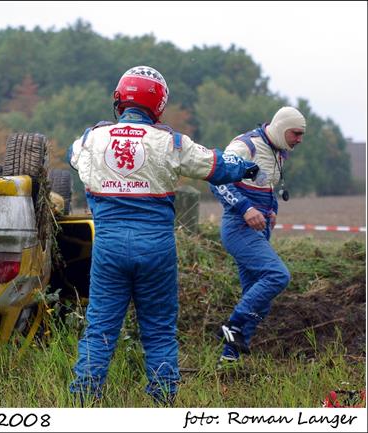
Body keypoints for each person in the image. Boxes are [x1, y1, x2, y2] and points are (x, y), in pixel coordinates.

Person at [67, 65, 260, 405]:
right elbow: (216, 166)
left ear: (119, 99)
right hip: (156, 248)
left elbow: (73, 158)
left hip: (110, 247)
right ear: (158, 106)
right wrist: (246, 166)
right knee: (158, 332)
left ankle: (82, 403)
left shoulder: (90, 138)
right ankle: (162, 405)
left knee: (99, 331)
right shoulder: (171, 142)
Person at [209, 106, 306, 365]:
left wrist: (272, 209)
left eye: (301, 135)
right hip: (239, 226)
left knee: (257, 296)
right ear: (282, 127)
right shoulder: (245, 146)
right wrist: (246, 208)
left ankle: (229, 360)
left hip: (261, 227)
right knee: (277, 276)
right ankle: (234, 324)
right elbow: (217, 179)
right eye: (295, 133)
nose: (299, 139)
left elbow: (265, 184)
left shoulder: (278, 152)